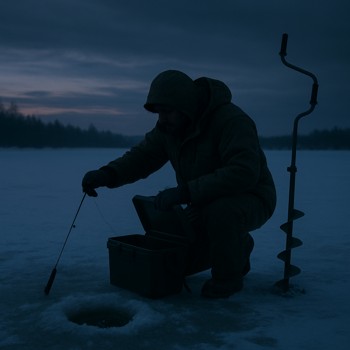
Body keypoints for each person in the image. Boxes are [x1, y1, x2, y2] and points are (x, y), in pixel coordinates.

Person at [82, 70, 276, 298]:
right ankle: (239, 247)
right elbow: (142, 157)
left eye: (167, 111)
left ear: (185, 106)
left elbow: (244, 172)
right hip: (201, 200)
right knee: (178, 259)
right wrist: (107, 174)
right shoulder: (169, 128)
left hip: (251, 197)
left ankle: (228, 279)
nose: (161, 119)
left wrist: (185, 192)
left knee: (222, 212)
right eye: (158, 113)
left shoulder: (232, 121)